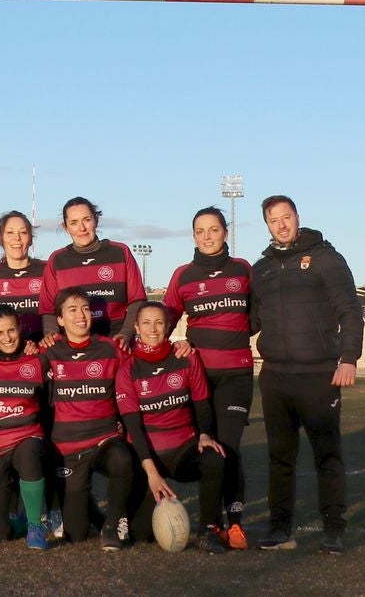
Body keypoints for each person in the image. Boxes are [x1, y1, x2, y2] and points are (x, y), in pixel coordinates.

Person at [250, 194, 362, 555]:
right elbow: (249, 321)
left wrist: (349, 358)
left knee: (326, 454)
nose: (281, 225)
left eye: (286, 217)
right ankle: (280, 528)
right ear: (266, 225)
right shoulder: (261, 268)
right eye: (273, 220)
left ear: (298, 217)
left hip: (318, 375)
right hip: (276, 376)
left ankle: (334, 529)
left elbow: (350, 310)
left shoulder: (326, 258)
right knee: (280, 457)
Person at [137, 204, 253, 548]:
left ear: (225, 233)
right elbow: (163, 320)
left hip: (236, 376)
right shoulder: (183, 276)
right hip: (198, 378)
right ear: (193, 236)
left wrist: (232, 338)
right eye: (200, 231)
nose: (207, 236)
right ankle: (212, 525)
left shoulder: (243, 269)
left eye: (213, 229)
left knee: (227, 449)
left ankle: (234, 524)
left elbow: (257, 316)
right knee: (206, 451)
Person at [124, 301, 227, 554]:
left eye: (159, 322)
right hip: (148, 457)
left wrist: (204, 435)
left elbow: (202, 403)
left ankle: (208, 530)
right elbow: (133, 426)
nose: (153, 329)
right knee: (141, 535)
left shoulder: (185, 357)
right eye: (146, 323)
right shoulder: (127, 367)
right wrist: (151, 473)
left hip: (182, 449)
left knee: (215, 458)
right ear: (136, 326)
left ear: (168, 326)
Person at [44, 288, 140, 548]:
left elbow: (135, 379)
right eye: (72, 310)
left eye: (85, 308)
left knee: (122, 458)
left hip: (103, 439)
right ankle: (94, 515)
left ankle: (113, 523)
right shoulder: (48, 353)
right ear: (60, 320)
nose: (81, 315)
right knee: (75, 532)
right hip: (67, 447)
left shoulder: (111, 349)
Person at [0, 304, 50, 549]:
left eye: (12, 330)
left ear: (20, 329)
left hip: (27, 437)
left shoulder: (37, 360)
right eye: (0, 332)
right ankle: (21, 514)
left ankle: (36, 525)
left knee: (29, 452)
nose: (7, 337)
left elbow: (50, 406)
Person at [39, 197, 145, 343]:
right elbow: (48, 307)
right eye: (74, 223)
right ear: (66, 227)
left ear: (96, 220)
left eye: (87, 220)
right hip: (73, 346)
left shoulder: (120, 252)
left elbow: (137, 300)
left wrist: (126, 334)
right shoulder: (57, 260)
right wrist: (52, 335)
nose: (81, 228)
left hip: (116, 343)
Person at [0, 211, 47, 344]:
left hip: (40, 353)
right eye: (10, 232)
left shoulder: (47, 270)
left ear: (31, 239)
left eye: (23, 232)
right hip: (5, 355)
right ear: (1, 238)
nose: (17, 238)